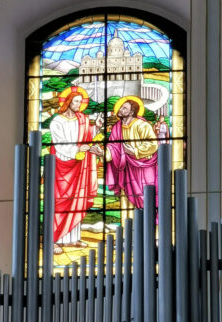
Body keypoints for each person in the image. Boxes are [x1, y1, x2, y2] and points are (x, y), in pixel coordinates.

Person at [50, 86, 102, 254]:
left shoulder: (83, 119)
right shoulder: (57, 121)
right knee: (61, 202)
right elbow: (59, 145)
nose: (79, 104)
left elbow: (88, 136)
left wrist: (98, 128)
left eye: (81, 102)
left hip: (80, 166)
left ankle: (72, 239)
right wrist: (78, 150)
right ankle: (55, 239)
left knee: (77, 200)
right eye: (76, 101)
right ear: (68, 102)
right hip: (63, 165)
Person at [91, 96, 158, 224]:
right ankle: (127, 235)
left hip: (142, 170)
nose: (120, 109)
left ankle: (149, 234)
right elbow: (113, 148)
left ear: (132, 112)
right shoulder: (117, 127)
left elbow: (153, 144)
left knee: (144, 199)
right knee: (126, 200)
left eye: (124, 108)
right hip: (125, 170)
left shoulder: (141, 125)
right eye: (121, 107)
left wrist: (135, 151)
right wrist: (102, 153)